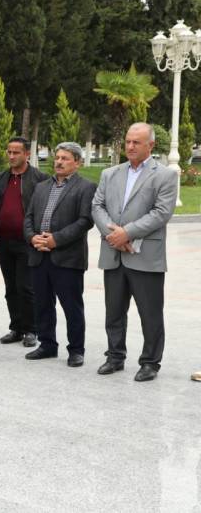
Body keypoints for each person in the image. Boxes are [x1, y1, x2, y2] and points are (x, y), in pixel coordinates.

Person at [91, 122, 178, 382]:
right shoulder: (110, 173)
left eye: (136, 142)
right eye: (128, 141)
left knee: (150, 314)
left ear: (150, 145)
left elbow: (162, 212)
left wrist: (127, 233)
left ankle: (150, 362)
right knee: (114, 311)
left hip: (145, 256)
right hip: (114, 254)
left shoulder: (165, 175)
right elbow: (97, 206)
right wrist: (112, 235)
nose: (129, 146)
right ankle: (115, 356)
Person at [23, 142, 96, 367]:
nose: (59, 162)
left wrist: (56, 240)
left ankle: (76, 350)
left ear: (77, 162)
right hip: (39, 254)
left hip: (67, 257)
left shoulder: (86, 187)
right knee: (42, 303)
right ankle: (47, 345)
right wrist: (32, 237)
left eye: (65, 158)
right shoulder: (42, 187)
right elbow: (29, 216)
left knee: (71, 306)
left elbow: (85, 221)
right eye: (57, 157)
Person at [0, 137, 48, 347]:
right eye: (9, 152)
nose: (11, 156)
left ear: (27, 154)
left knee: (25, 287)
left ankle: (31, 329)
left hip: (27, 242)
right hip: (4, 242)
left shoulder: (39, 179)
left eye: (16, 152)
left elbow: (44, 211)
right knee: (10, 287)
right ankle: (16, 327)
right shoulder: (1, 178)